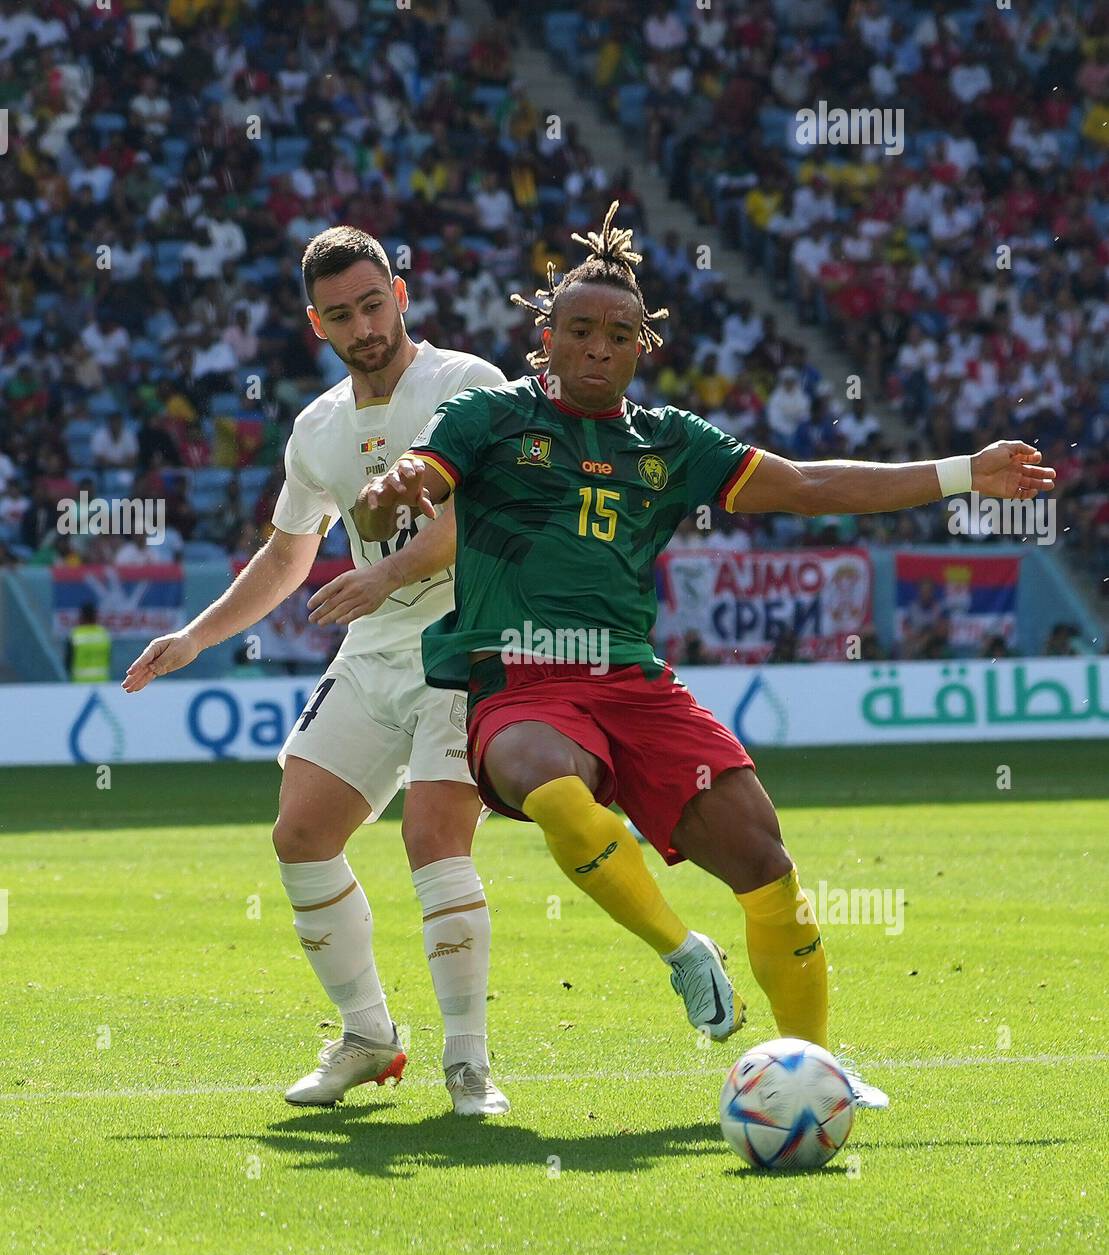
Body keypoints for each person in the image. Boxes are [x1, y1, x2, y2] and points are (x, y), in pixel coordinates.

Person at [355, 204, 1055, 1109]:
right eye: (580, 332)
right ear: (547, 337)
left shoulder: (670, 442)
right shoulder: (485, 418)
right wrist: (390, 492)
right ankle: (683, 952)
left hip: (634, 682)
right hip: (519, 677)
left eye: (618, 335)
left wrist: (964, 471)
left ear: (641, 346)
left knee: (765, 861)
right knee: (546, 780)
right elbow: (395, 503)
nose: (598, 349)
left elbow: (807, 486)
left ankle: (811, 1073)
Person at [122, 226, 509, 1116]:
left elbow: (484, 516)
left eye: (374, 305)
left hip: (468, 635)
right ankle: (369, 1037)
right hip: (374, 648)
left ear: (401, 297)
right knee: (300, 832)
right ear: (317, 324)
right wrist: (194, 637)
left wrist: (381, 574)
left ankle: (468, 1065)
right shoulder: (318, 426)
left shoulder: (467, 384)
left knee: (433, 836)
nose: (364, 325)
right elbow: (287, 556)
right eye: (342, 315)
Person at [68, 602, 112, 683]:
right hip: (102, 680)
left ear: (82, 617)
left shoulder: (76, 634)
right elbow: (109, 657)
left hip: (80, 682)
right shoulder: (103, 634)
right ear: (95, 616)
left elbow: (68, 660)